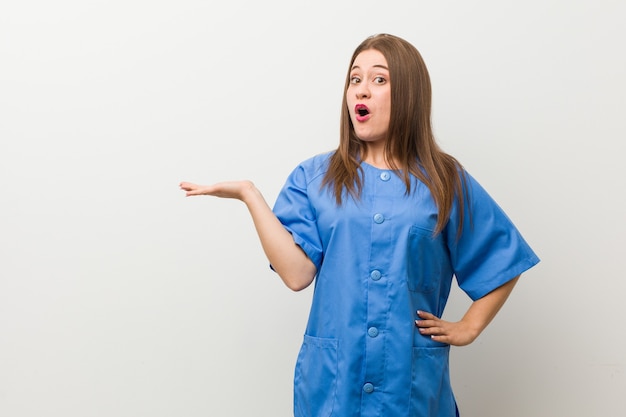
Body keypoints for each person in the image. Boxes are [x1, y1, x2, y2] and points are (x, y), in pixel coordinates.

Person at [180, 33, 539, 417]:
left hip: (410, 388)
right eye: (355, 79)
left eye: (378, 80)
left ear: (409, 95)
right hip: (334, 385)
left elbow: (502, 258)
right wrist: (250, 195)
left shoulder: (444, 180)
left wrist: (469, 326)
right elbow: (297, 274)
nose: (361, 91)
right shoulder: (313, 177)